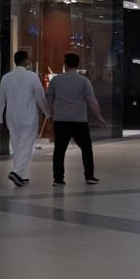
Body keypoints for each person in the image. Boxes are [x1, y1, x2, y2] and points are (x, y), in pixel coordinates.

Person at [47, 52, 107, 185]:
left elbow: (50, 99)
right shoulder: (84, 81)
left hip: (61, 121)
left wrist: (51, 115)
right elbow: (92, 101)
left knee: (59, 150)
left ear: (65, 64)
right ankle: (89, 176)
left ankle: (58, 178)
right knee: (86, 149)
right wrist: (99, 117)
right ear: (78, 65)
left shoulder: (56, 80)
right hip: (79, 121)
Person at [0, 50, 48, 188]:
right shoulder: (32, 77)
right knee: (26, 145)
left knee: (17, 145)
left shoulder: (6, 77)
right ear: (25, 61)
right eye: (29, 59)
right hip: (28, 116)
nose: (30, 61)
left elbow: (0, 99)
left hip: (11, 117)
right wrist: (48, 113)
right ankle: (17, 172)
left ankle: (23, 176)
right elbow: (40, 97)